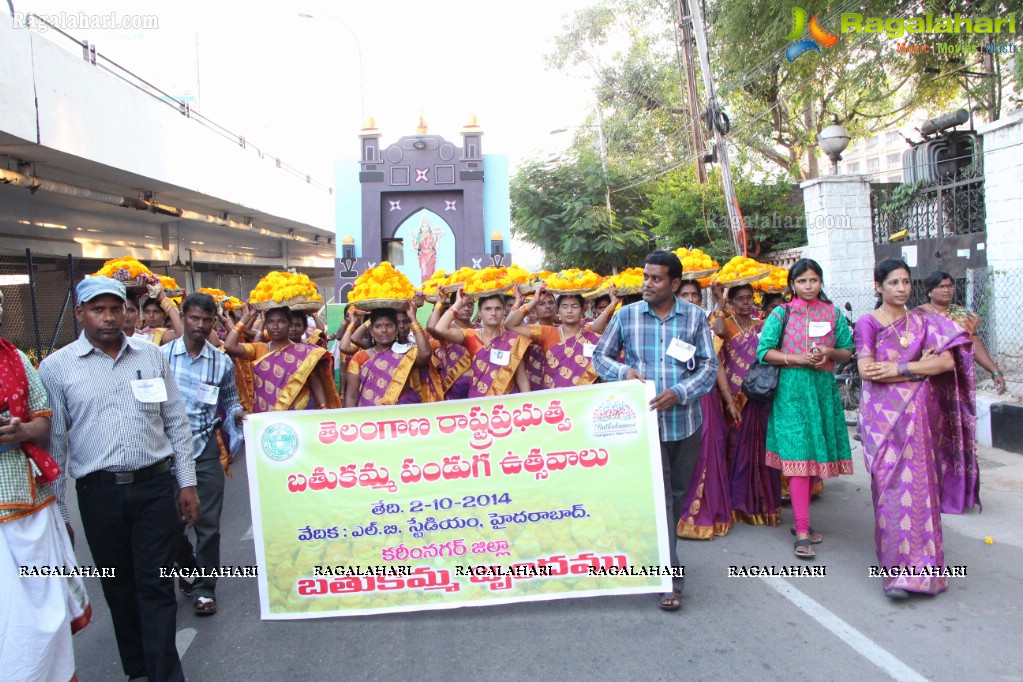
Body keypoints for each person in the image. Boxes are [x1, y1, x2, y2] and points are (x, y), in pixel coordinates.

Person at [39, 275, 199, 682]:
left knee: (156, 584)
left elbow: (176, 424)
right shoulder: (56, 368)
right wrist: (58, 511)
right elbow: (55, 444)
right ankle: (138, 671)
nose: (109, 318)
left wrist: (186, 483)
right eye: (98, 309)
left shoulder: (150, 356)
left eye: (116, 309)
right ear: (80, 314)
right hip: (99, 495)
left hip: (154, 488)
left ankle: (165, 674)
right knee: (119, 588)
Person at [593, 250, 718, 611]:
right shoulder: (627, 316)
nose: (647, 284)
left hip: (685, 423)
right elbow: (600, 357)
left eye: (655, 279)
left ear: (675, 283)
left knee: (677, 493)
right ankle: (669, 576)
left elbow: (708, 368)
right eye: (645, 277)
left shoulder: (694, 318)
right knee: (662, 498)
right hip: (643, 426)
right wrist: (624, 373)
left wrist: (680, 392)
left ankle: (660, 551)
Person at [855, 259, 975, 599]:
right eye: (893, 282)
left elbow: (945, 362)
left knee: (921, 488)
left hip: (919, 414)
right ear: (878, 286)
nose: (901, 288)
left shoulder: (923, 321)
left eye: (906, 282)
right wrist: (920, 367)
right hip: (881, 418)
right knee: (889, 490)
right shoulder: (868, 323)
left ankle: (924, 574)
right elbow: (867, 371)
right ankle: (896, 576)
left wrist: (901, 367)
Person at [0, 286, 91, 682]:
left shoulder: (16, 360)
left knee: (43, 610)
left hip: (27, 507)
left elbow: (43, 422)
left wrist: (21, 430)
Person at [757, 259, 853, 559]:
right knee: (799, 458)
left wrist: (829, 352)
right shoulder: (781, 314)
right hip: (791, 393)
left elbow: (847, 351)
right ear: (792, 285)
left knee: (813, 457)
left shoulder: (833, 313)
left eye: (813, 280)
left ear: (820, 281)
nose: (808, 286)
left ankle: (803, 524)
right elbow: (764, 352)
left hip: (822, 392)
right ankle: (801, 531)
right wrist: (796, 359)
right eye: (802, 281)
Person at [163, 293, 246, 616]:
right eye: (194, 318)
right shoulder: (161, 356)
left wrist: (238, 414)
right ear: (183, 317)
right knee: (170, 524)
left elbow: (230, 399)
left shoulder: (221, 361)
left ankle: (204, 588)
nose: (199, 325)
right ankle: (187, 567)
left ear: (214, 322)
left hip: (205, 449)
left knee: (207, 523)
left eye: (206, 320)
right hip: (166, 453)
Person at [711, 283, 781, 528]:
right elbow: (718, 334)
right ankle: (739, 504)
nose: (746, 303)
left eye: (749, 298)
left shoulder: (762, 327)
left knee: (763, 450)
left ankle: (765, 505)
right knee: (737, 449)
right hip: (735, 396)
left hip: (760, 395)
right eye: (740, 299)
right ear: (731, 302)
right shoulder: (725, 324)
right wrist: (719, 303)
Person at [675, 279, 733, 541]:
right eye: (684, 294)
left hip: (706, 398)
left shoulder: (707, 325)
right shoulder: (669, 326)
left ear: (700, 299)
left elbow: (718, 362)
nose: (689, 299)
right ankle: (679, 515)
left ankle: (707, 515)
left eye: (694, 295)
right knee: (680, 456)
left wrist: (728, 400)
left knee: (708, 450)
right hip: (676, 396)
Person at [223, 305, 340, 412]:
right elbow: (229, 346)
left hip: (298, 413)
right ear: (265, 324)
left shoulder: (305, 351)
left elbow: (314, 379)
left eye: (281, 322)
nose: (275, 326)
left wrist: (323, 406)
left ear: (289, 324)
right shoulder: (259, 349)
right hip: (265, 414)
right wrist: (246, 317)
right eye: (270, 322)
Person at [504, 285, 619, 389]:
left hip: (584, 400)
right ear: (558, 311)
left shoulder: (590, 334)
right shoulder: (547, 332)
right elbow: (510, 325)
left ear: (582, 310)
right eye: (564, 306)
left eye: (574, 306)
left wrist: (613, 303)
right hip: (554, 401)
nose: (569, 311)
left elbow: (598, 325)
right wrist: (533, 302)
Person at [434, 289, 532, 396]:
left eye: (498, 308)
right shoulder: (471, 336)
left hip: (507, 403)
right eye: (488, 309)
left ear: (504, 311)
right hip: (479, 402)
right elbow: (440, 329)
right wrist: (458, 304)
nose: (493, 313)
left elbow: (521, 378)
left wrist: (528, 404)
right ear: (480, 312)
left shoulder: (514, 340)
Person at [344, 301, 434, 407]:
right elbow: (351, 396)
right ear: (371, 332)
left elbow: (426, 354)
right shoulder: (359, 358)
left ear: (396, 330)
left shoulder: (407, 352)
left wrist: (413, 319)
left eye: (389, 325)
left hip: (402, 415)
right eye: (378, 326)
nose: (384, 330)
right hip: (370, 418)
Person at [425, 293, 475, 400]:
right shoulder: (444, 330)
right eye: (463, 305)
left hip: (478, 386)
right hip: (452, 388)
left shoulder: (480, 329)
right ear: (454, 306)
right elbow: (431, 328)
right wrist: (439, 303)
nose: (466, 308)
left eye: (470, 305)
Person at [523, 288, 557, 390]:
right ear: (533, 309)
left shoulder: (563, 332)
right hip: (533, 387)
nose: (547, 306)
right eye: (542, 304)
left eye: (551, 302)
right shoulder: (526, 332)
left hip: (558, 386)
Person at [413, 214, 445, 282]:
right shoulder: (419, 236)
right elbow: (416, 247)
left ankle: (430, 288)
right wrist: (412, 240)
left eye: (426, 226)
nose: (424, 228)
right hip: (423, 256)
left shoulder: (432, 235)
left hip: (431, 256)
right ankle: (424, 289)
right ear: (421, 227)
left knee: (431, 274)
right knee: (424, 274)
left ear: (428, 227)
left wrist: (438, 237)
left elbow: (435, 247)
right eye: (423, 226)